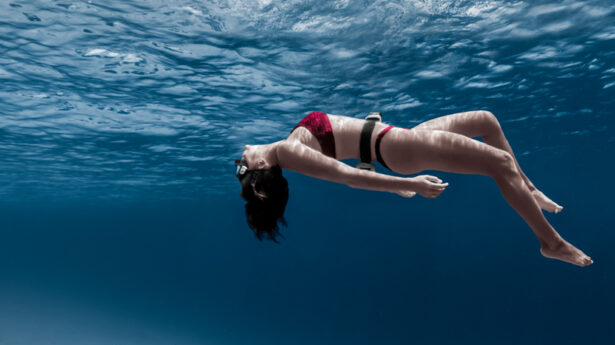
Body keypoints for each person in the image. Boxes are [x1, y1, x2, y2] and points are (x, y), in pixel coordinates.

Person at [236, 111, 592, 267]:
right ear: (263, 170)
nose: (240, 161)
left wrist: (395, 184)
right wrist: (408, 184)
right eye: (243, 168)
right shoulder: (287, 152)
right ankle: (551, 243)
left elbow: (346, 159)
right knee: (499, 163)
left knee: (487, 121)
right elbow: (348, 176)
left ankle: (530, 190)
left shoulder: (289, 146)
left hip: (400, 137)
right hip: (397, 148)